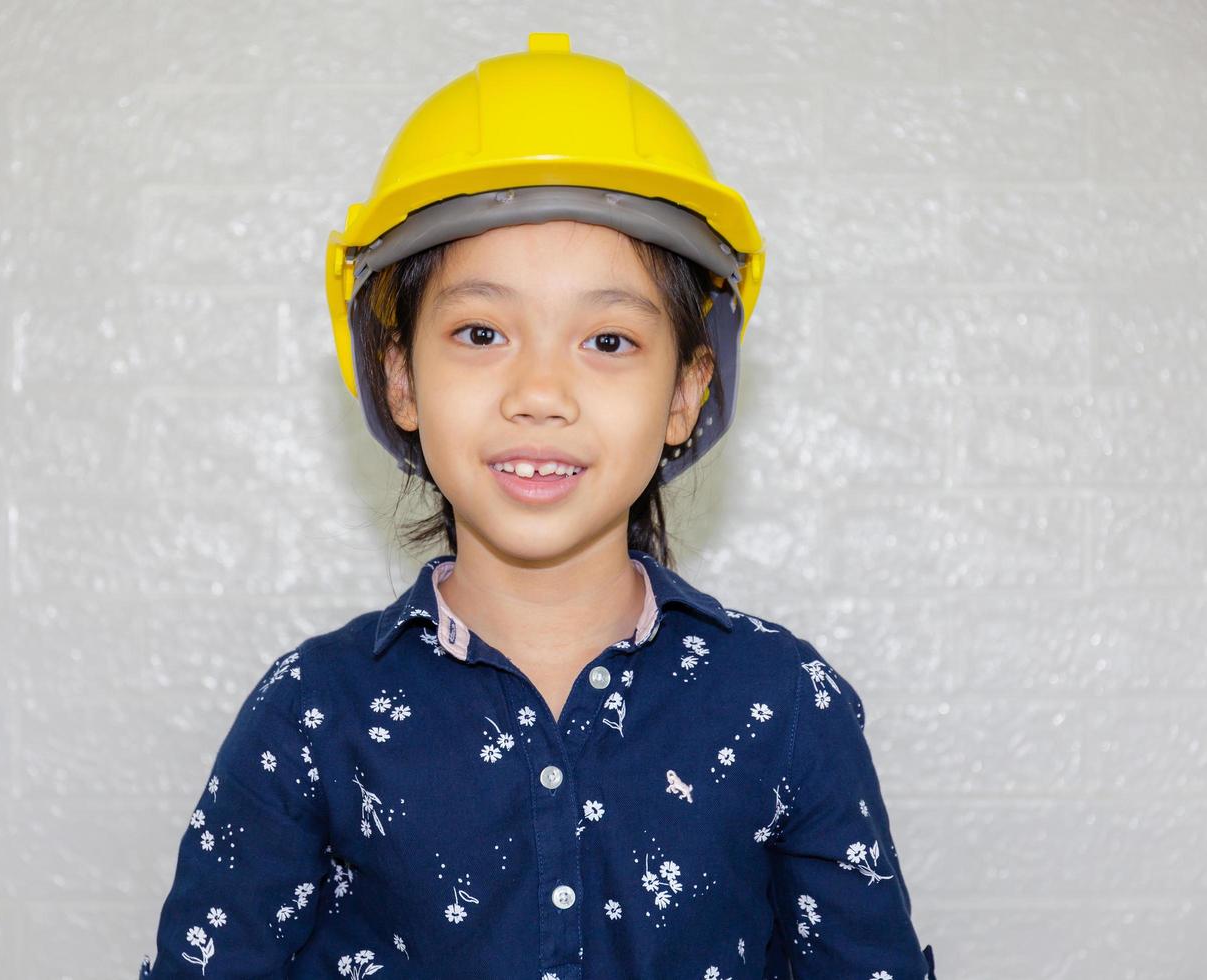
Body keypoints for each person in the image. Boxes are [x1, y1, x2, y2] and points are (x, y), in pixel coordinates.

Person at [140, 32, 937, 980]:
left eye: (607, 340)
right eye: (482, 332)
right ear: (399, 378)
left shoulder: (783, 705)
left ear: (688, 390)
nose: (541, 391)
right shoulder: (312, 714)